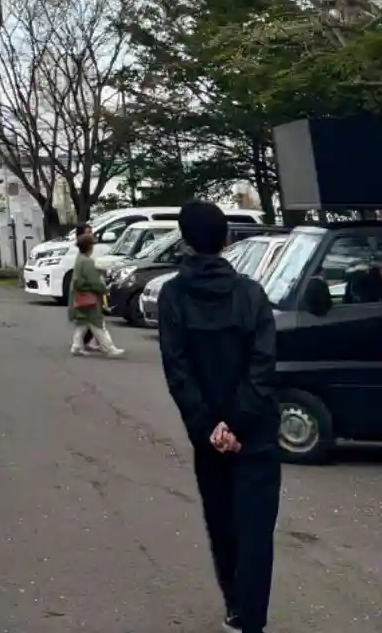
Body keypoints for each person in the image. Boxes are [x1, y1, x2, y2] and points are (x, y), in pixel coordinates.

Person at [158, 200, 280, 633]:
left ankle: (235, 607)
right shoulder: (251, 294)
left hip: (207, 437)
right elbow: (263, 365)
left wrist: (210, 426)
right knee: (256, 530)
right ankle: (252, 621)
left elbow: (177, 370)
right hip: (256, 432)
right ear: (227, 238)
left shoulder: (172, 295)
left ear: (185, 240)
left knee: (223, 524)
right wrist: (238, 422)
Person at [68, 227, 124, 358]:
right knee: (98, 324)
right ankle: (109, 348)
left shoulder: (79, 259)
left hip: (79, 296)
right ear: (89, 247)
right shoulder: (88, 262)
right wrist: (103, 289)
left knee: (82, 323)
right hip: (89, 297)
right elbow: (94, 282)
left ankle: (77, 346)